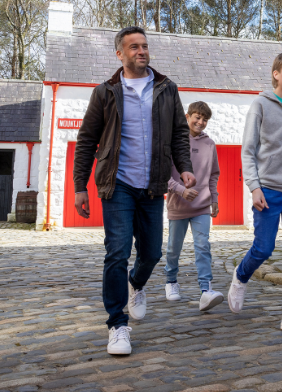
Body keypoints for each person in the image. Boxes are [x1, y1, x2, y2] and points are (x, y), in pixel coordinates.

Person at [73, 26, 196, 356]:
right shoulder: (106, 92)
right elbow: (86, 141)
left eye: (144, 46)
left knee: (152, 253)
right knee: (117, 252)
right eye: (134, 47)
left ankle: (136, 283)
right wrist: (79, 186)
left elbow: (179, 133)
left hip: (153, 185)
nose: (142, 51)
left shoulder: (167, 88)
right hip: (118, 184)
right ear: (120, 54)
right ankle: (117, 325)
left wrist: (184, 167)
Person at [228, 52, 282, 339]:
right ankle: (241, 275)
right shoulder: (261, 105)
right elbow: (248, 150)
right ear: (276, 74)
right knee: (263, 249)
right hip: (268, 189)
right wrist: (254, 187)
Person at [164, 101, 225, 311]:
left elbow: (213, 174)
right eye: (197, 117)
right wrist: (181, 190)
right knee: (173, 249)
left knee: (203, 246)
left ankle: (205, 289)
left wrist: (214, 198)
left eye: (205, 119)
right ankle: (171, 281)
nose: (201, 122)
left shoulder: (210, 144)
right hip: (178, 205)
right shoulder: (173, 141)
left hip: (202, 206)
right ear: (187, 116)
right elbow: (163, 174)